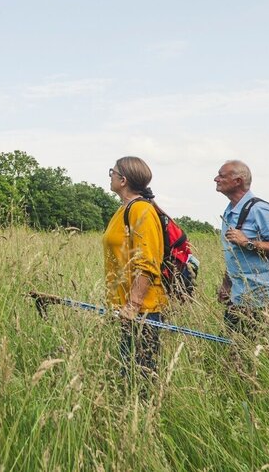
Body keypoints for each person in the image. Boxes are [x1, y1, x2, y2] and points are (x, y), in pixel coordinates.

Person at [104, 156, 168, 389]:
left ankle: (144, 422)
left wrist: (133, 304)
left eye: (112, 171)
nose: (109, 175)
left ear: (123, 180)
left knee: (140, 380)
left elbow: (148, 264)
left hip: (142, 311)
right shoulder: (123, 210)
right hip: (125, 309)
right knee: (128, 374)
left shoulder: (141, 210)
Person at [214, 160, 269, 334]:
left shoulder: (259, 209)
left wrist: (248, 243)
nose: (216, 179)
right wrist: (227, 285)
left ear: (238, 181)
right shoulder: (230, 211)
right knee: (234, 354)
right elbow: (234, 255)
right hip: (240, 297)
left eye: (221, 176)